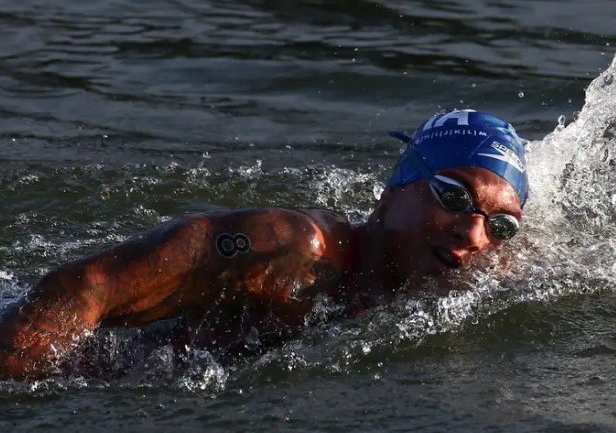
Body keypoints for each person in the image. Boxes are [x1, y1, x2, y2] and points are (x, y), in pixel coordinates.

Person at [0, 110, 529, 380]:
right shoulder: (294, 250)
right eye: (453, 196)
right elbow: (88, 286)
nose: (473, 233)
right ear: (396, 188)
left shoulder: (471, 278)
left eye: (500, 225)